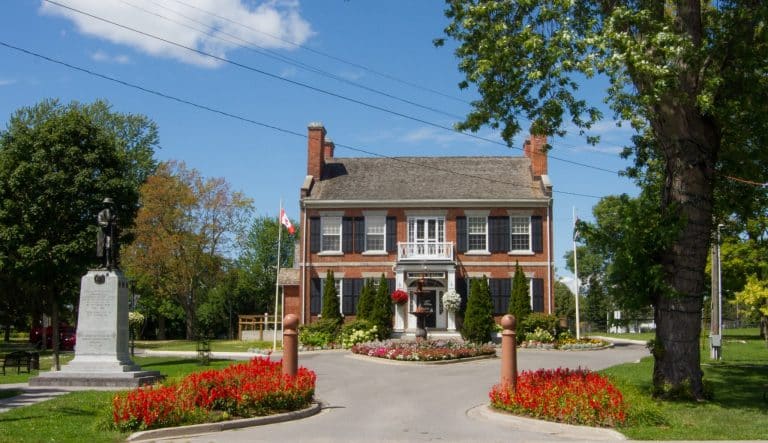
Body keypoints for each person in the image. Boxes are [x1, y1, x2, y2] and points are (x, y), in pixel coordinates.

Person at [96, 198, 118, 269]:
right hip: (103, 232)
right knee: (101, 248)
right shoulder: (101, 213)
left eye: (109, 204)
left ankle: (110, 263)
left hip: (110, 232)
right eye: (106, 204)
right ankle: (102, 263)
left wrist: (114, 223)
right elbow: (99, 222)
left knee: (109, 247)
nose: (107, 205)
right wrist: (107, 223)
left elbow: (116, 222)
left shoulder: (113, 213)